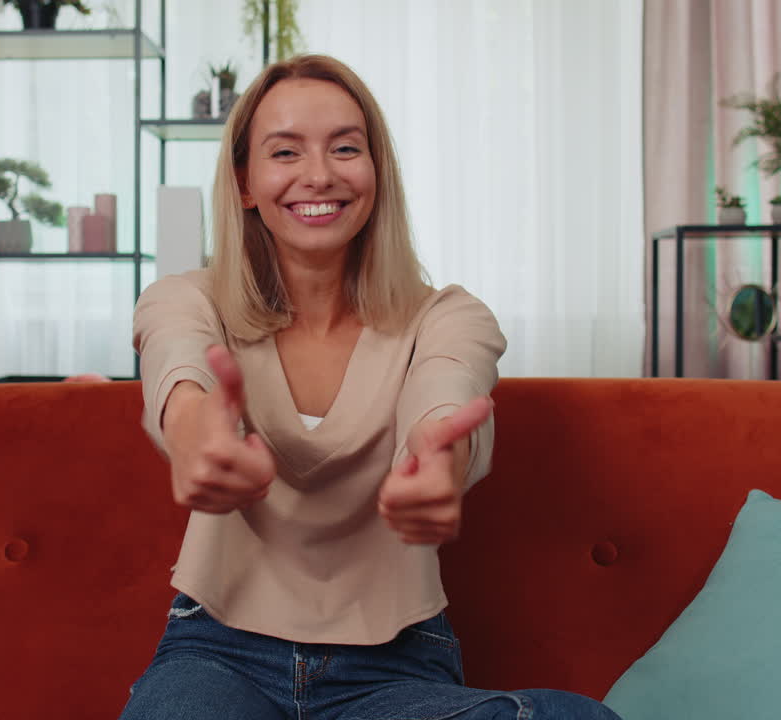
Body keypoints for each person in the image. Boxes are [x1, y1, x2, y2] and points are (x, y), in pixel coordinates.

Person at [121, 54, 621, 720]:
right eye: (286, 151)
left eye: (346, 148)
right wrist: (193, 434)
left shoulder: (447, 317)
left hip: (394, 665)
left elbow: (446, 395)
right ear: (245, 181)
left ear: (376, 173)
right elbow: (178, 371)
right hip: (218, 650)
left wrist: (438, 463)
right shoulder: (184, 299)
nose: (319, 175)